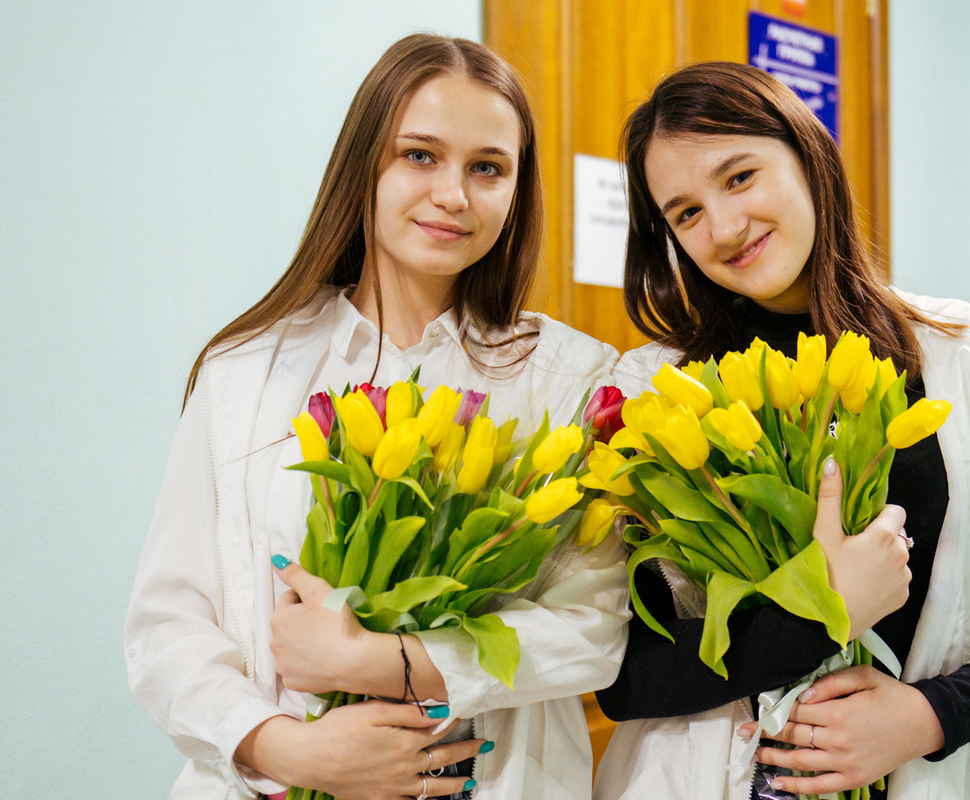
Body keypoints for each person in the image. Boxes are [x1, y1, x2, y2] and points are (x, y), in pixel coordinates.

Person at [594, 61, 970, 800]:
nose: (724, 228)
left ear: (807, 157)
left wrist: (927, 718)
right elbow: (619, 673)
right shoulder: (654, 395)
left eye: (740, 177)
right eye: (685, 214)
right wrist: (819, 615)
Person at [125, 34, 629, 800]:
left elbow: (593, 626)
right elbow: (169, 624)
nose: (453, 195)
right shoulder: (244, 369)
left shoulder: (571, 379)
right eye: (420, 155)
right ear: (364, 164)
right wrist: (290, 751)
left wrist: (390, 664)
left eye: (487, 168)